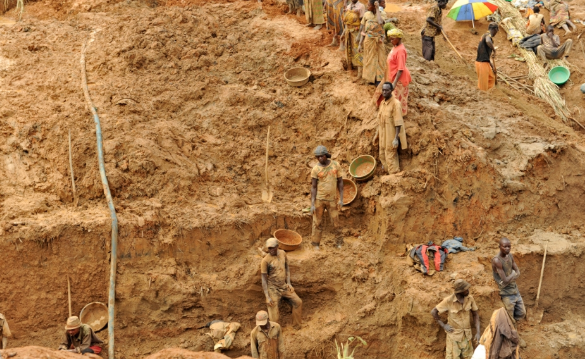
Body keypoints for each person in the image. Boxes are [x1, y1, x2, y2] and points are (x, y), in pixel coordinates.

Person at [431, 279, 481, 359]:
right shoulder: (449, 300)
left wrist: (478, 332)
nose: (468, 290)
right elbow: (434, 312)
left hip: (467, 336)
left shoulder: (470, 299)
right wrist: (444, 325)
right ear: (460, 291)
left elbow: (475, 315)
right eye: (466, 289)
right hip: (454, 336)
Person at [261, 238, 302, 327]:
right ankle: (275, 332)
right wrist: (267, 296)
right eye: (269, 248)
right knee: (273, 315)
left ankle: (297, 326)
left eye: (272, 248)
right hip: (273, 289)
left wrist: (289, 283)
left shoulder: (283, 253)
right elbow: (264, 279)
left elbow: (287, 268)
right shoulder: (265, 261)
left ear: (277, 246)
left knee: (298, 302)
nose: (270, 250)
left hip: (284, 286)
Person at [310, 145, 343, 250]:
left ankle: (339, 242)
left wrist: (341, 198)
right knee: (317, 222)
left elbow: (340, 181)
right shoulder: (315, 169)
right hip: (319, 200)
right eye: (318, 157)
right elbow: (314, 187)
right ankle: (315, 244)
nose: (320, 158)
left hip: (332, 200)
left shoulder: (335, 165)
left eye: (322, 156)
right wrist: (312, 204)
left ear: (326, 155)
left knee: (335, 222)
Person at [374, 82, 407, 174]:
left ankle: (394, 176)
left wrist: (396, 138)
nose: (384, 92)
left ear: (391, 91)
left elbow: (398, 122)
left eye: (386, 90)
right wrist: (377, 134)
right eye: (383, 90)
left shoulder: (396, 104)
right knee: (382, 154)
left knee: (390, 156)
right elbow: (380, 121)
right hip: (383, 136)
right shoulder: (382, 103)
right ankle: (387, 174)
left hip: (390, 136)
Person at [492, 238, 526, 324]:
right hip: (506, 292)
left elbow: (518, 272)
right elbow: (505, 280)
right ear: (499, 247)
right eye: (505, 247)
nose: (507, 248)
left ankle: (514, 327)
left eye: (509, 246)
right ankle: (511, 331)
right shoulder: (497, 260)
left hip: (515, 289)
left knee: (522, 313)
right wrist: (513, 274)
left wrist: (513, 275)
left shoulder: (510, 256)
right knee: (509, 318)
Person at [358, 0, 387, 84]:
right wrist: (360, 44)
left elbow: (380, 22)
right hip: (368, 41)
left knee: (380, 60)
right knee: (369, 59)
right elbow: (363, 31)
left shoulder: (382, 13)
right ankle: (370, 78)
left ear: (374, 6)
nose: (367, 7)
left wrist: (377, 9)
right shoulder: (366, 14)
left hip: (379, 41)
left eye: (368, 5)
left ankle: (378, 79)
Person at [386, 28, 411, 115]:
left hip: (399, 79)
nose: (391, 41)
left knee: (398, 99)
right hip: (393, 77)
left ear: (398, 38)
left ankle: (400, 117)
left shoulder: (400, 51)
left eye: (393, 39)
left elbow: (400, 69)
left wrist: (394, 83)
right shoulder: (395, 47)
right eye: (390, 39)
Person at [342, 0, 366, 80]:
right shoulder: (348, 6)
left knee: (358, 52)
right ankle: (351, 68)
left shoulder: (361, 7)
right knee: (349, 50)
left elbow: (363, 23)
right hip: (348, 32)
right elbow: (346, 22)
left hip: (356, 32)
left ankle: (360, 73)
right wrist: (343, 33)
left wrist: (359, 35)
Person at [475, 22, 498, 91]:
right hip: (482, 63)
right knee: (482, 85)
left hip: (484, 62)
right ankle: (482, 96)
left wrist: (492, 66)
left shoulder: (484, 35)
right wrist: (494, 50)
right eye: (497, 31)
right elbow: (488, 41)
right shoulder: (488, 36)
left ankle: (488, 95)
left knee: (491, 78)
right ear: (495, 29)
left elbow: (485, 55)